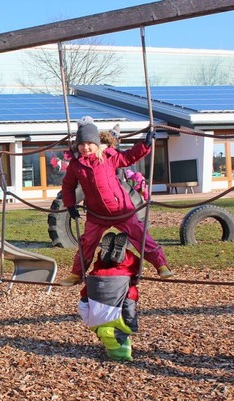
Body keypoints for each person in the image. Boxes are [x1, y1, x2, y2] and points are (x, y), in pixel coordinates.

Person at [59, 116, 173, 286]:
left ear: (97, 143)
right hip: (96, 214)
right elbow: (68, 186)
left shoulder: (109, 157)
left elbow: (129, 157)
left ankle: (161, 265)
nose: (85, 147)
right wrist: (70, 205)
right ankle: (77, 273)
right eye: (81, 144)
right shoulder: (76, 166)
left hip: (121, 210)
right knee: (87, 243)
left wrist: (145, 145)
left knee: (140, 236)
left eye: (89, 143)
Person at [78, 232, 140, 361]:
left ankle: (121, 257)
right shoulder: (93, 325)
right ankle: (104, 256)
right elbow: (83, 304)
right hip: (95, 279)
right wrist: (87, 290)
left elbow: (129, 304)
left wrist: (132, 287)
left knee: (131, 266)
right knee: (100, 266)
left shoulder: (126, 327)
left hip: (118, 281)